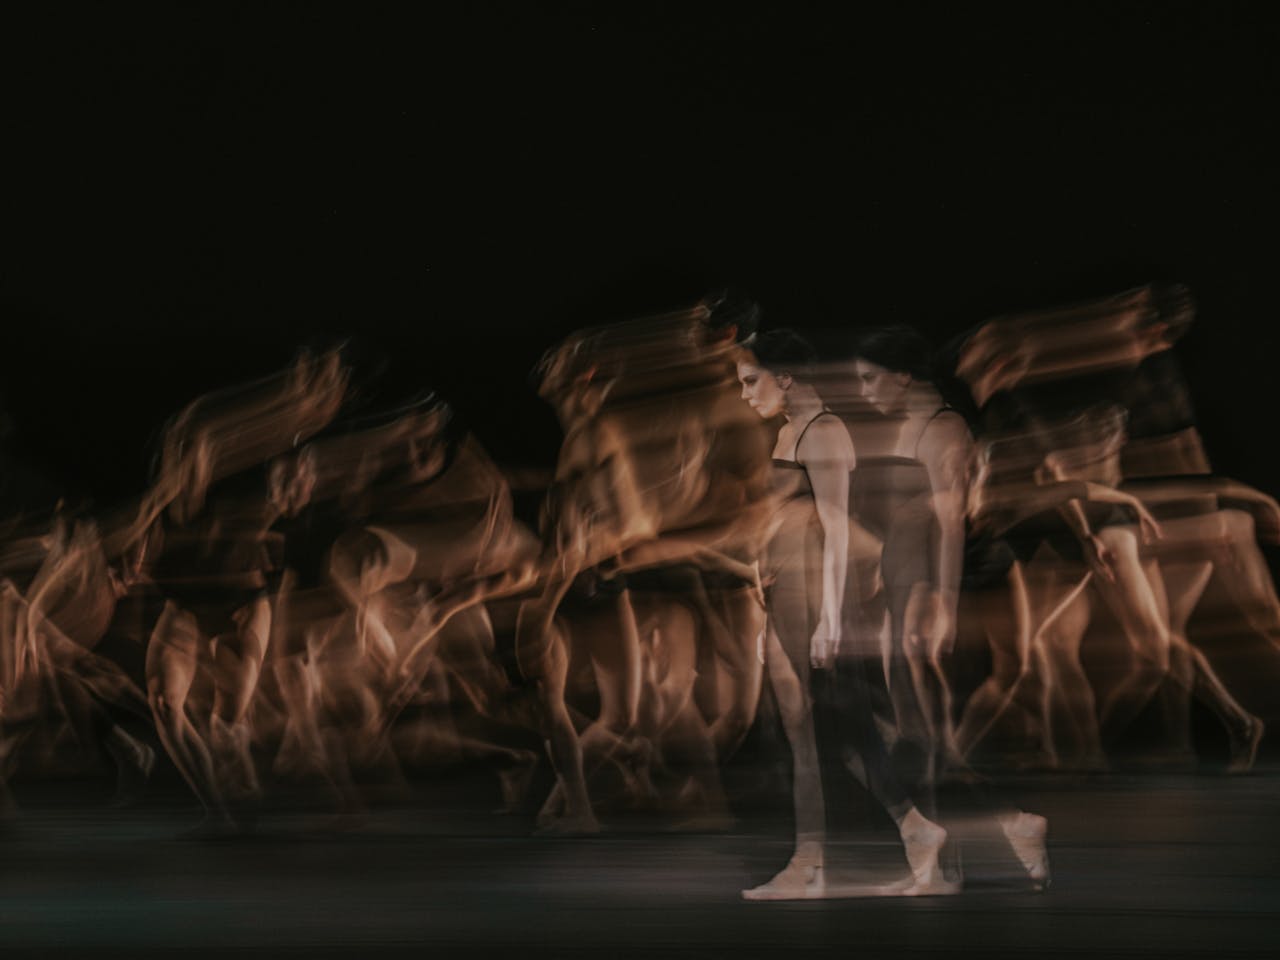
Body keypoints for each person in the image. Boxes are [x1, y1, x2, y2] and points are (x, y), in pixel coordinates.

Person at [737, 329, 951, 900]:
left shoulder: (824, 432)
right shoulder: (788, 431)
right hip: (782, 596)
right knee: (827, 729)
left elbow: (835, 528)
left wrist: (831, 617)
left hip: (810, 595)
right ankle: (913, 832)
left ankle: (810, 862)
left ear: (784, 377)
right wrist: (763, 611)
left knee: (818, 730)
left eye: (751, 381)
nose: (744, 394)